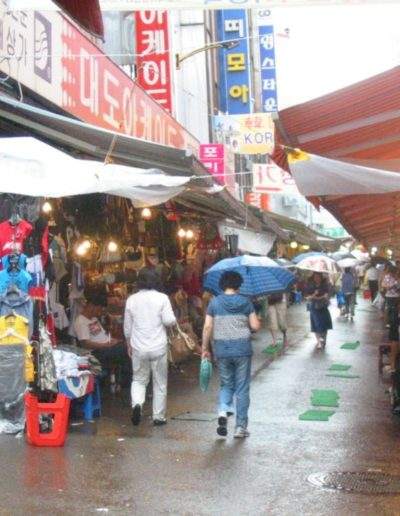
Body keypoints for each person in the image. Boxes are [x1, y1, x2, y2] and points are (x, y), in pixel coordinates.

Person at [202, 271, 260, 438]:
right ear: (238, 285)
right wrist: (255, 321)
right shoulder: (246, 302)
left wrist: (205, 348)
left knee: (226, 385)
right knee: (242, 388)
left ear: (222, 284)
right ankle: (240, 427)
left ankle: (223, 411)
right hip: (242, 350)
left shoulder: (214, 303)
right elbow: (255, 326)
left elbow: (207, 327)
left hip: (222, 350)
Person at [124, 268, 176, 427]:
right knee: (160, 382)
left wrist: (128, 344)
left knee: (139, 379)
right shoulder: (162, 298)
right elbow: (169, 321)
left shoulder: (131, 299)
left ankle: (137, 404)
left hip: (138, 346)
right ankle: (158, 417)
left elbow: (127, 327)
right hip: (158, 346)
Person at [74, 296, 128, 368]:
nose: (99, 313)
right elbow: (85, 344)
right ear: (91, 306)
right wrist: (105, 345)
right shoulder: (80, 321)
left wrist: (113, 341)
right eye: (99, 309)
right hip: (97, 351)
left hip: (106, 346)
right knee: (124, 350)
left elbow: (103, 335)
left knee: (128, 346)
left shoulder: (94, 318)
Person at [305, 272, 333, 350]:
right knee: (316, 324)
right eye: (315, 277)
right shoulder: (310, 285)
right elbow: (307, 298)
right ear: (313, 277)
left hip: (323, 307)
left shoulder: (325, 285)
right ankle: (319, 342)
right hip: (314, 307)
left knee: (324, 324)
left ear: (321, 277)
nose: (317, 278)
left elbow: (329, 295)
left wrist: (326, 296)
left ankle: (323, 339)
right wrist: (314, 294)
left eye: (318, 277)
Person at [381, 264, 400, 371]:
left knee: (394, 337)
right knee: (394, 336)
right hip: (391, 299)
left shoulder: (397, 278)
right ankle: (393, 365)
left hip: (396, 299)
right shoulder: (387, 277)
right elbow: (384, 286)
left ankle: (393, 365)